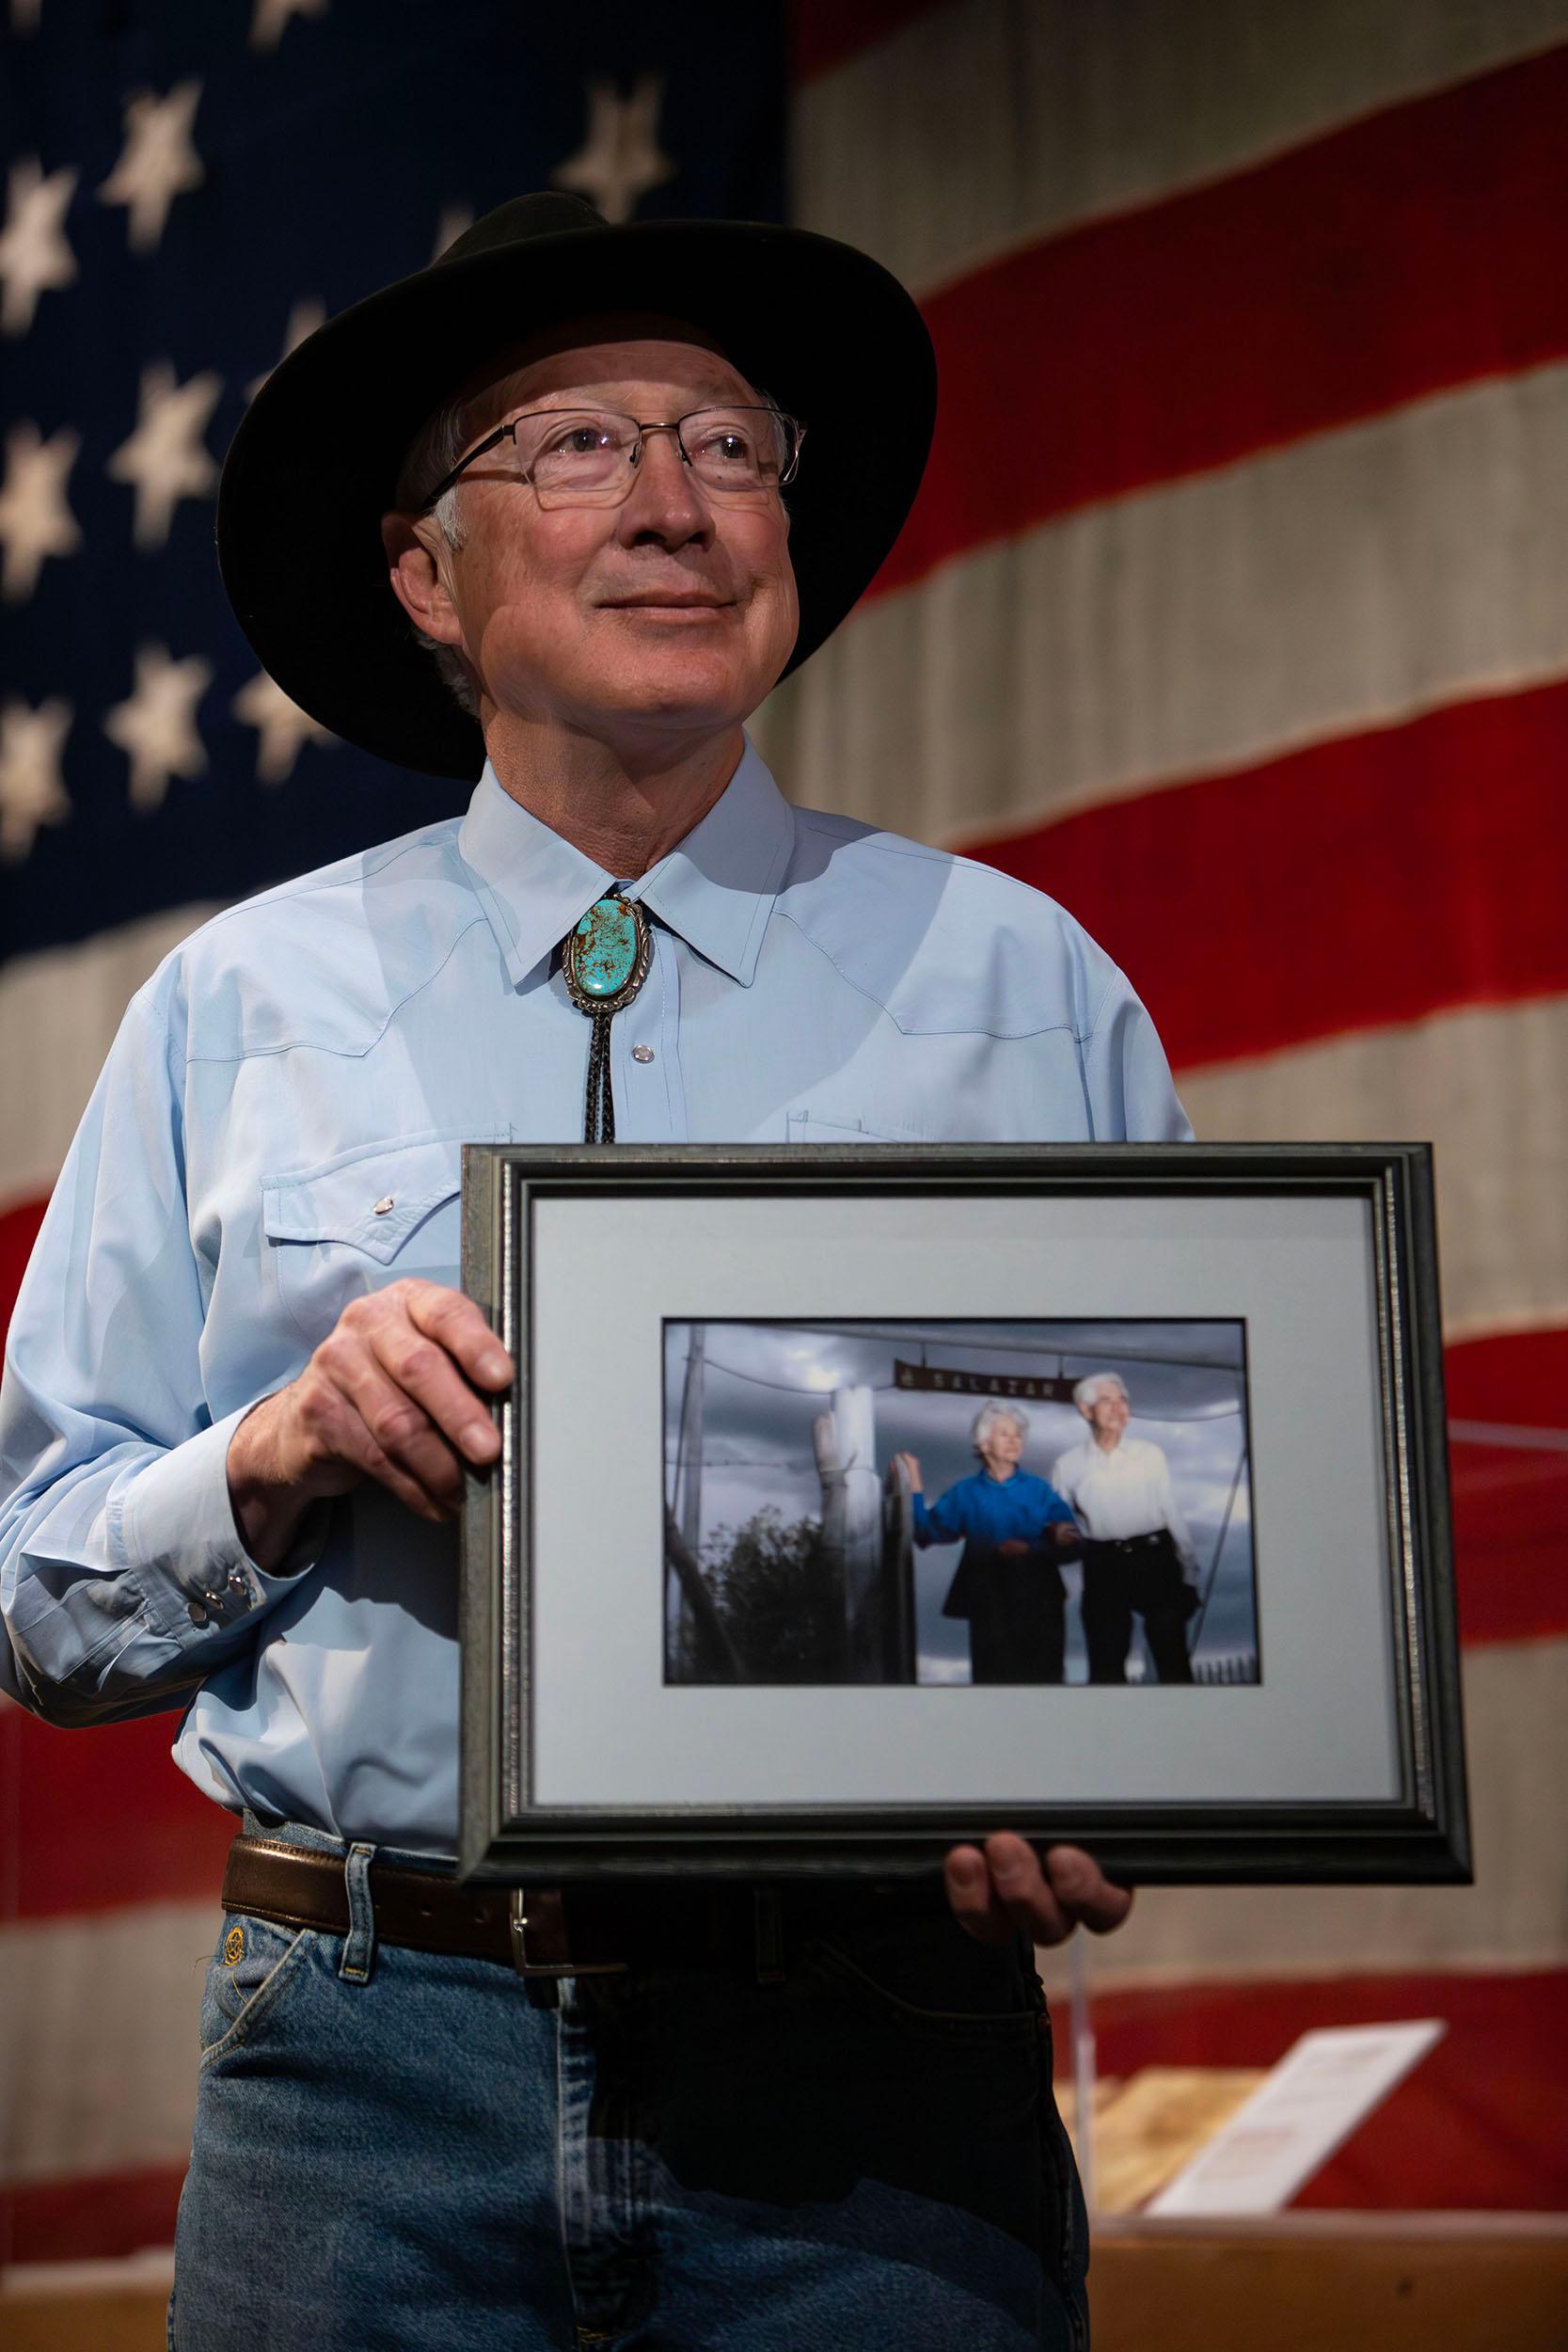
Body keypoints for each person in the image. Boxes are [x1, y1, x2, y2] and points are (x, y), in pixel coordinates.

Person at [0, 194, 1192, 2350]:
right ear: (418, 570)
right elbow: (36, 1599)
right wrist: (273, 1448)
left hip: (880, 2085)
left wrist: (1107, 1761)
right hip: (361, 2076)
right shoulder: (236, 1007)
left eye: (731, 446)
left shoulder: (1021, 987)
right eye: (574, 443)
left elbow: (1186, 1548)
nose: (673, 502)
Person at [895, 1402, 1080, 1683]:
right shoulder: (965, 1493)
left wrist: (1034, 1548)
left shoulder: (1040, 1491)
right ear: (983, 1443)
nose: (1014, 1440)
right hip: (989, 1607)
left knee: (1046, 1689)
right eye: (1004, 1433)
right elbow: (926, 1533)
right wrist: (915, 1481)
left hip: (1041, 1605)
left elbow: (1075, 1546)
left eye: (1018, 1434)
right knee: (994, 1690)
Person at [1050, 1372, 1200, 1684]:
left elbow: (1170, 1509)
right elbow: (1058, 1522)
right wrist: (1059, 1535)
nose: (1118, 1408)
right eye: (1106, 1401)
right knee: (1106, 1668)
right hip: (1103, 1566)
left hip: (1156, 1560)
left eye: (1122, 1400)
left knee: (1173, 1661)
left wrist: (1189, 1573)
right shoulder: (1067, 1465)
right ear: (1085, 1410)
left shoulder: (1150, 1454)